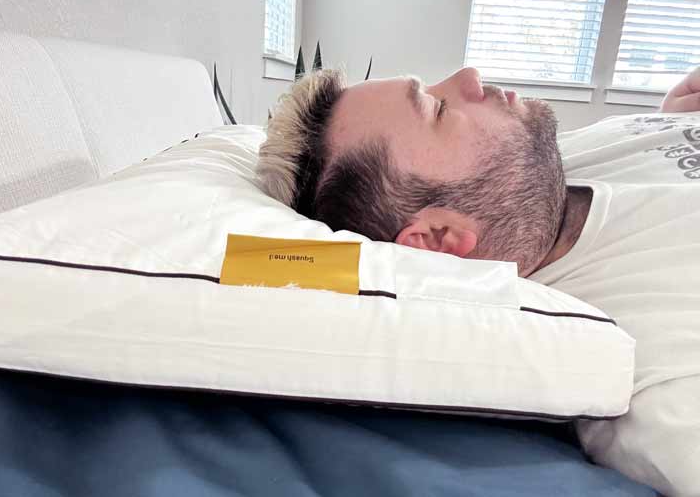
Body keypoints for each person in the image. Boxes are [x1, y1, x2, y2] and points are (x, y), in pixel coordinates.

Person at [256, 66, 700, 496]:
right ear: (436, 239)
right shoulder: (653, 377)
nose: (469, 76)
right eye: (438, 110)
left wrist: (669, 121)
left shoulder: (538, 169)